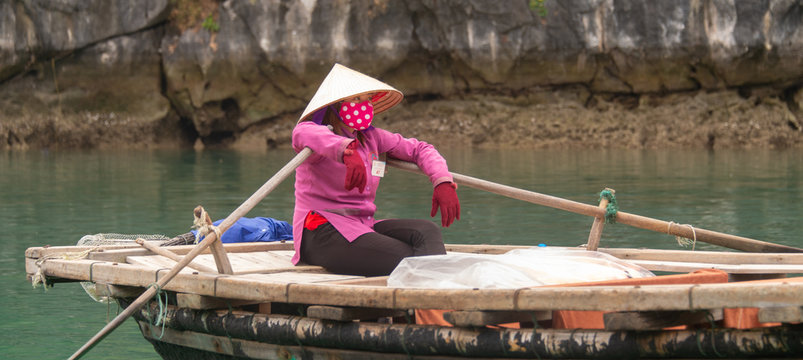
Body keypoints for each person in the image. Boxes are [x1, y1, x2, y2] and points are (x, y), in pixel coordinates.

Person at [290, 63, 460, 276]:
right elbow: (301, 133)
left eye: (368, 99)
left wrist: (442, 180)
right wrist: (344, 150)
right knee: (410, 258)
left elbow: (420, 149)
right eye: (356, 99)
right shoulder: (315, 133)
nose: (365, 105)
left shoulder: (372, 137)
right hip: (321, 230)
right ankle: (434, 300)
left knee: (427, 232)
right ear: (334, 105)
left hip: (363, 224)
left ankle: (430, 298)